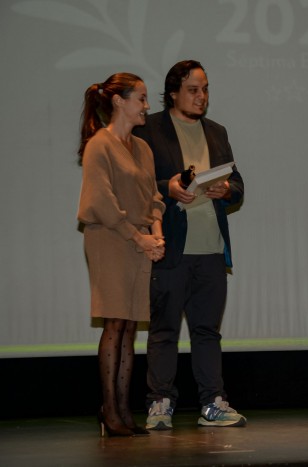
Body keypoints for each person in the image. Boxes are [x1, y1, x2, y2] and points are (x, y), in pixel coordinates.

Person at [132, 60, 246, 430]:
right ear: (174, 93)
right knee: (163, 329)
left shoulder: (216, 131)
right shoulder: (149, 129)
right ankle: (160, 402)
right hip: (171, 246)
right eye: (194, 90)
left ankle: (213, 402)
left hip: (211, 249)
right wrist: (169, 188)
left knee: (207, 331)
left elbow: (238, 184)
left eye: (206, 89)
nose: (202, 97)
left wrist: (226, 189)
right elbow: (138, 182)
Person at [77, 72, 165, 437]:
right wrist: (138, 237)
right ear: (119, 101)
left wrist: (156, 234)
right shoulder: (100, 144)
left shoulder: (142, 148)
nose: (146, 106)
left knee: (130, 325)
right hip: (111, 241)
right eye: (141, 98)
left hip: (139, 242)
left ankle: (125, 411)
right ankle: (109, 409)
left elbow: (153, 198)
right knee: (115, 321)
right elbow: (101, 201)